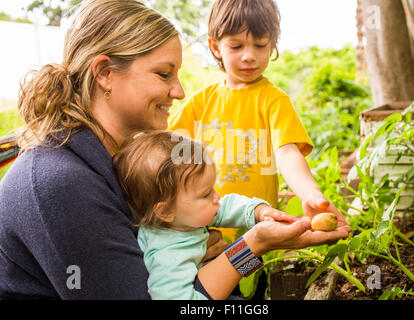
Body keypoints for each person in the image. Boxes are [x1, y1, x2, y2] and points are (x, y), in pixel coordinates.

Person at [0, 0, 350, 300]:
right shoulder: (61, 186)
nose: (180, 91)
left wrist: (213, 255)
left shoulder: (114, 160)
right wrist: (253, 247)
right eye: (164, 74)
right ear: (105, 73)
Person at [169, 0, 342, 241]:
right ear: (216, 47)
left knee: (253, 276)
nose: (249, 56)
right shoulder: (200, 104)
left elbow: (288, 153)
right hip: (204, 234)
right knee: (211, 278)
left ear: (272, 46)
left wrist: (310, 194)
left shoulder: (274, 100)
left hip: (257, 231)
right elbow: (165, 149)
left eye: (260, 45)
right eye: (236, 46)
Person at [113, 130, 300, 299]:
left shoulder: (185, 216)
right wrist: (257, 244)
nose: (217, 197)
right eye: (205, 194)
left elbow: (228, 206)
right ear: (165, 211)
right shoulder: (168, 255)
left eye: (212, 188)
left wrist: (259, 212)